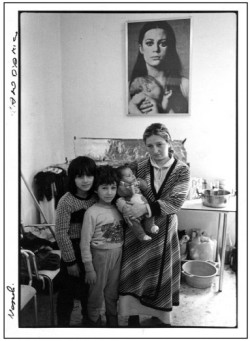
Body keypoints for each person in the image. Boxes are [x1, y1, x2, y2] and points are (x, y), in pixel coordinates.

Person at [118, 123, 190, 327]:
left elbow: (176, 201)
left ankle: (160, 318)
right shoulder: (138, 166)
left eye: (159, 144)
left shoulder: (181, 170)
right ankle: (132, 316)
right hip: (137, 231)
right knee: (135, 271)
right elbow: (121, 187)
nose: (155, 150)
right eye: (150, 146)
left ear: (169, 142)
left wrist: (144, 209)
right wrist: (124, 205)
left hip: (164, 229)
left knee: (160, 273)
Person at [55, 156, 97, 327]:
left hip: (91, 251)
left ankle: (88, 324)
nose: (85, 180)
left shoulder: (96, 197)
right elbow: (60, 233)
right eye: (80, 176)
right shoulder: (66, 201)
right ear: (72, 178)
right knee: (67, 294)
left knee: (89, 292)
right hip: (72, 250)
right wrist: (70, 261)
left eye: (89, 175)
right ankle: (62, 328)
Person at [80, 165, 124, 327]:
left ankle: (113, 323)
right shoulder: (92, 212)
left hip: (117, 255)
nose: (109, 192)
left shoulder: (119, 208)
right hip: (99, 257)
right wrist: (89, 268)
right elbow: (84, 242)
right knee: (96, 294)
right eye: (104, 188)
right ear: (96, 189)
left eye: (113, 187)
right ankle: (93, 323)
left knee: (112, 294)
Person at [128, 20, 189, 115]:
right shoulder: (128, 88)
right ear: (141, 48)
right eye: (149, 43)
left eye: (163, 43)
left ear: (170, 48)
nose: (156, 49)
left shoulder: (185, 85)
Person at [116, 164, 159, 242]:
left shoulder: (137, 180)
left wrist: (139, 183)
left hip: (143, 204)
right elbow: (122, 193)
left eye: (132, 174)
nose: (132, 176)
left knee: (150, 211)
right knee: (132, 222)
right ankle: (141, 235)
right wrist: (130, 187)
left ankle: (150, 227)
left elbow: (145, 186)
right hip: (132, 209)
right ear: (120, 179)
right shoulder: (121, 187)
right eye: (129, 176)